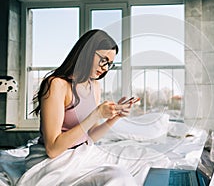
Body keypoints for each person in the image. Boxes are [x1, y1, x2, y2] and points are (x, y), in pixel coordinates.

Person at [17, 29, 138, 186]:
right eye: (103, 60)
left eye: (110, 64)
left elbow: (90, 136)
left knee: (131, 169)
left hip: (81, 153)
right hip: (56, 161)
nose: (105, 68)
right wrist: (96, 114)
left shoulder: (94, 86)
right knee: (118, 177)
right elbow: (52, 149)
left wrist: (115, 117)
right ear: (87, 52)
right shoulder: (57, 84)